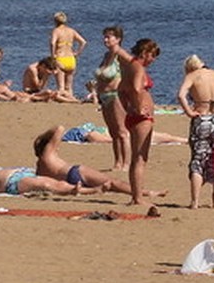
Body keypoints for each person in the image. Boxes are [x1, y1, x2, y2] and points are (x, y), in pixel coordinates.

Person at [33, 125, 159, 198]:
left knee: (111, 187)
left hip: (70, 182)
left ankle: (141, 192)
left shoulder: (39, 168)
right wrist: (42, 138)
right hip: (76, 172)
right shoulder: (48, 153)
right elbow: (59, 128)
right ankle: (145, 192)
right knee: (113, 183)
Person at [178, 54, 214, 209]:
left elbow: (181, 95)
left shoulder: (192, 76)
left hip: (202, 118)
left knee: (198, 161)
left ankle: (195, 202)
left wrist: (189, 112)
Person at [120, 38, 161, 207]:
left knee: (137, 158)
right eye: (152, 56)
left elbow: (121, 90)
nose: (153, 60)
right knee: (140, 159)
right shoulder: (137, 67)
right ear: (145, 53)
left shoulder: (129, 66)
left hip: (134, 116)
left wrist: (127, 107)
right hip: (141, 118)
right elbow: (137, 88)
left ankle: (136, 196)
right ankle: (137, 198)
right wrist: (138, 108)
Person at [95, 25, 130, 171]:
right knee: (113, 132)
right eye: (105, 37)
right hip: (104, 96)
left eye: (109, 37)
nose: (105, 40)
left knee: (122, 131)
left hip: (116, 96)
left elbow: (134, 68)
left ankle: (127, 164)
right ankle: (117, 162)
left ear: (118, 39)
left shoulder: (120, 55)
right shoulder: (106, 56)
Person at [50, 12, 87, 100]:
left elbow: (52, 43)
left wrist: (53, 55)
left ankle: (67, 101)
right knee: (69, 87)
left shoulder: (56, 31)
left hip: (60, 58)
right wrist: (77, 53)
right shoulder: (71, 31)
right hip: (71, 59)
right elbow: (83, 42)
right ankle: (72, 99)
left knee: (61, 87)